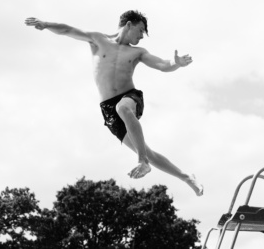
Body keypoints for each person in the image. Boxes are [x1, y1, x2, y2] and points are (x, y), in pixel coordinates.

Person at [25, 10, 203, 196]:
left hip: (130, 97)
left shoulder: (138, 52)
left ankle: (142, 161)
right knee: (147, 150)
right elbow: (67, 30)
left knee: (123, 108)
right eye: (141, 30)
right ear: (129, 24)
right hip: (108, 109)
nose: (142, 36)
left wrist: (176, 64)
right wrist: (46, 24)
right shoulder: (98, 40)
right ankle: (186, 178)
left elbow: (162, 65)